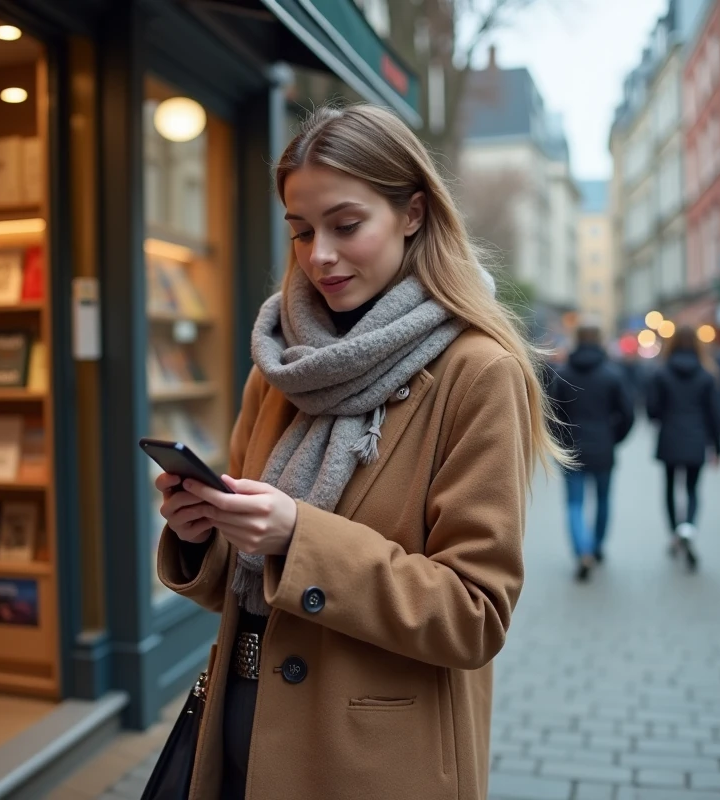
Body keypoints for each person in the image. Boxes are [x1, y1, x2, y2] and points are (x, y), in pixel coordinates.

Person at [154, 104, 569, 800]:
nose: (319, 254)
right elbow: (247, 580)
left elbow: (474, 614)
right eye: (301, 231)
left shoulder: (476, 370)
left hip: (373, 763)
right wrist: (203, 533)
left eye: (346, 226)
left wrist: (298, 536)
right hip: (241, 734)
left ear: (412, 213)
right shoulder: (279, 366)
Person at [546, 322, 634, 580]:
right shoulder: (612, 374)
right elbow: (628, 414)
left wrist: (560, 442)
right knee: (603, 500)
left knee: (575, 503)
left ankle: (582, 550)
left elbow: (552, 415)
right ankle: (596, 547)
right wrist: (613, 438)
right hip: (603, 447)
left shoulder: (563, 373)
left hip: (572, 448)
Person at [646, 326, 720, 570]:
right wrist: (717, 447)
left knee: (669, 487)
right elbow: (714, 415)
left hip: (669, 437)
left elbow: (652, 411)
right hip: (697, 438)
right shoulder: (707, 375)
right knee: (692, 488)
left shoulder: (662, 374)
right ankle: (688, 527)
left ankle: (675, 534)